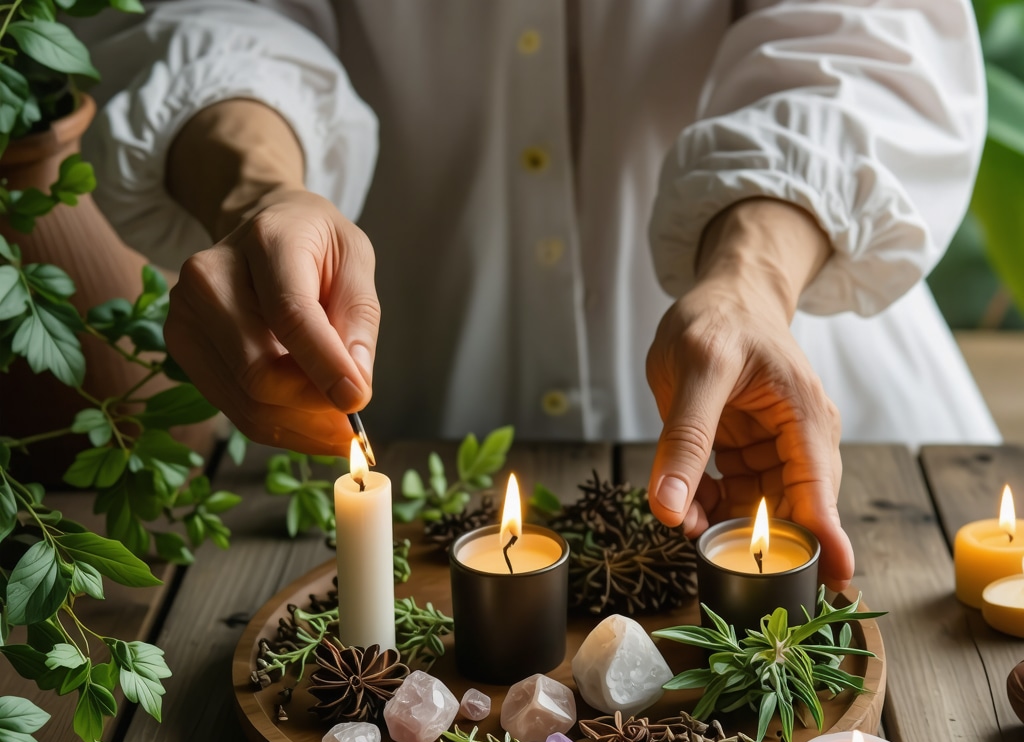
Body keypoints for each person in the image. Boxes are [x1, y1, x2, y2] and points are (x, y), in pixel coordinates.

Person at [78, 0, 1001, 594]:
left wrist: (751, 282)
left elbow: (865, 31)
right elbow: (204, 13)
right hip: (382, 376)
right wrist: (259, 193)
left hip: (780, 378)